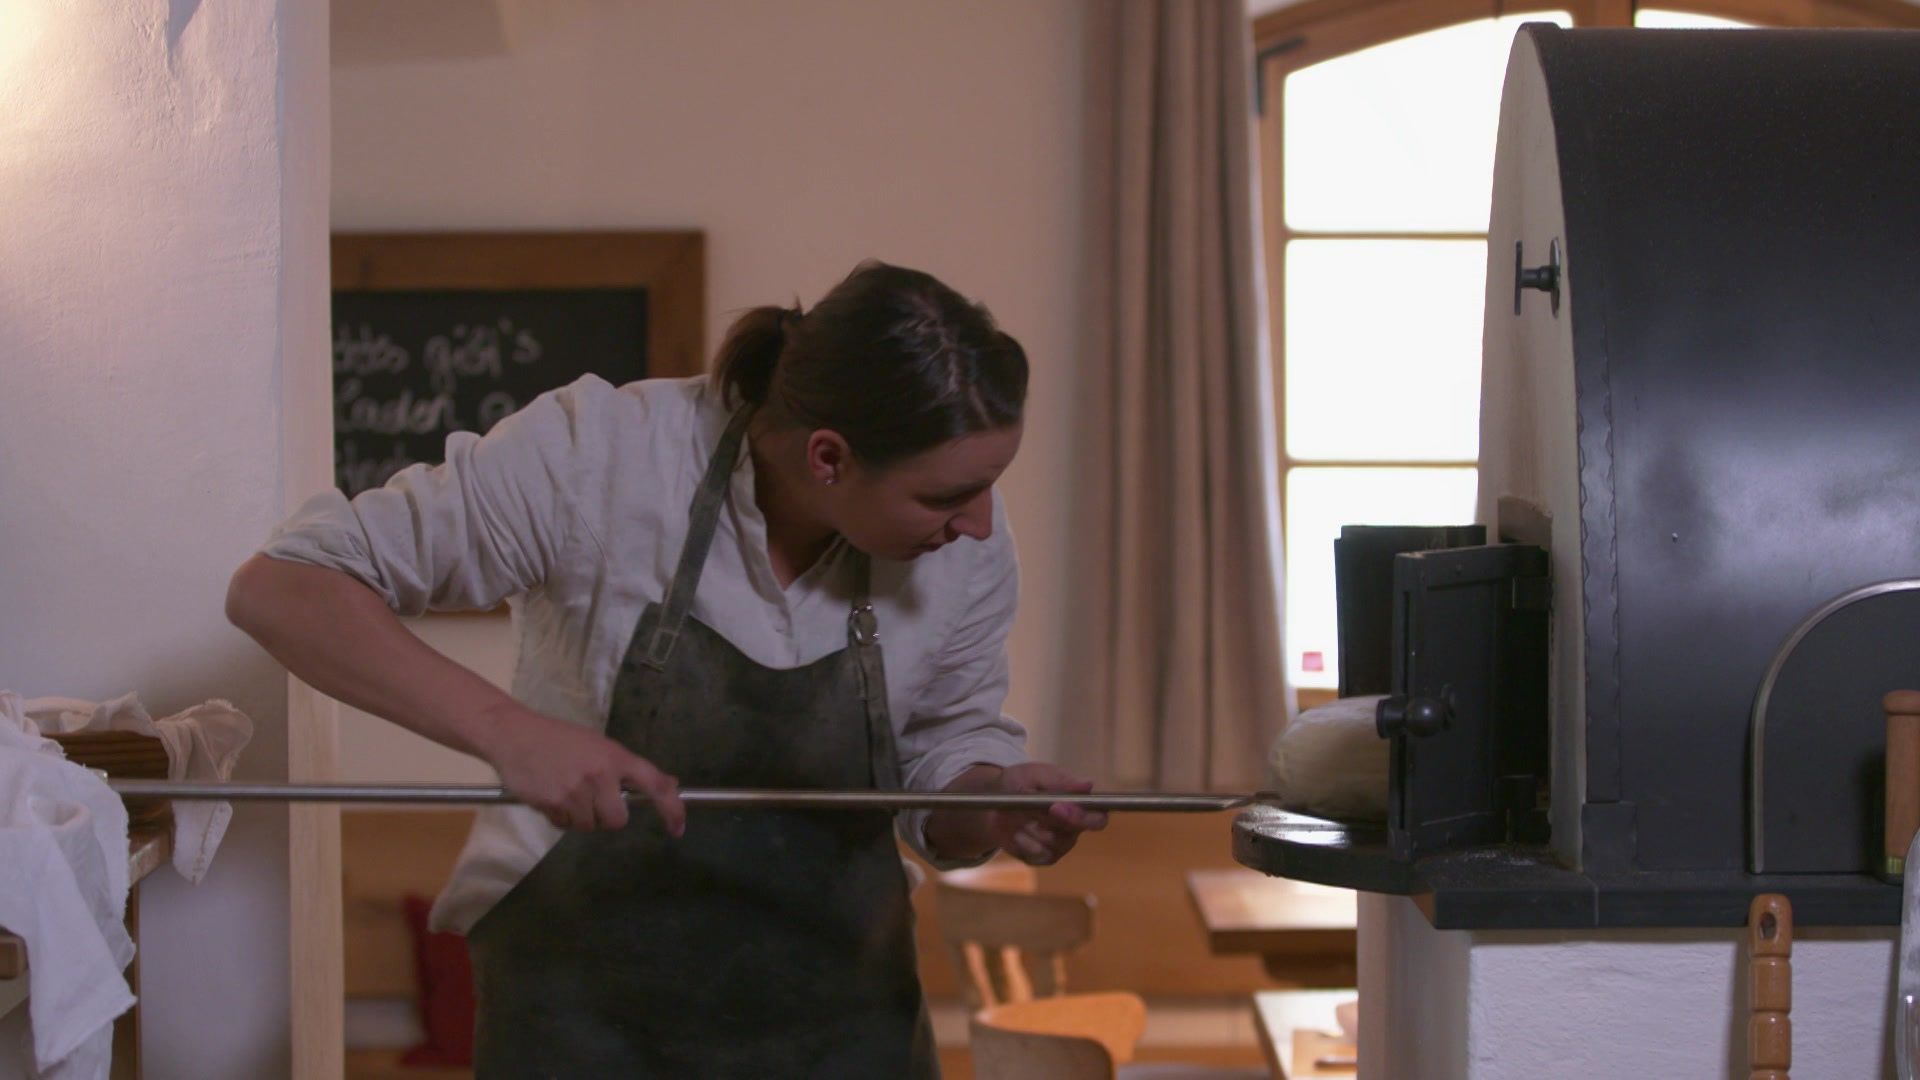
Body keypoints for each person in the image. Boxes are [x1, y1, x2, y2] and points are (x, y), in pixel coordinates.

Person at [225, 260, 1107, 1077]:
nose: (982, 525)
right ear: (829, 457)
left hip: (842, 1017)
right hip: (582, 1016)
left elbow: (940, 764)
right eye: (947, 495)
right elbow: (285, 587)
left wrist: (986, 798)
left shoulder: (965, 551)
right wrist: (508, 732)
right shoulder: (599, 458)